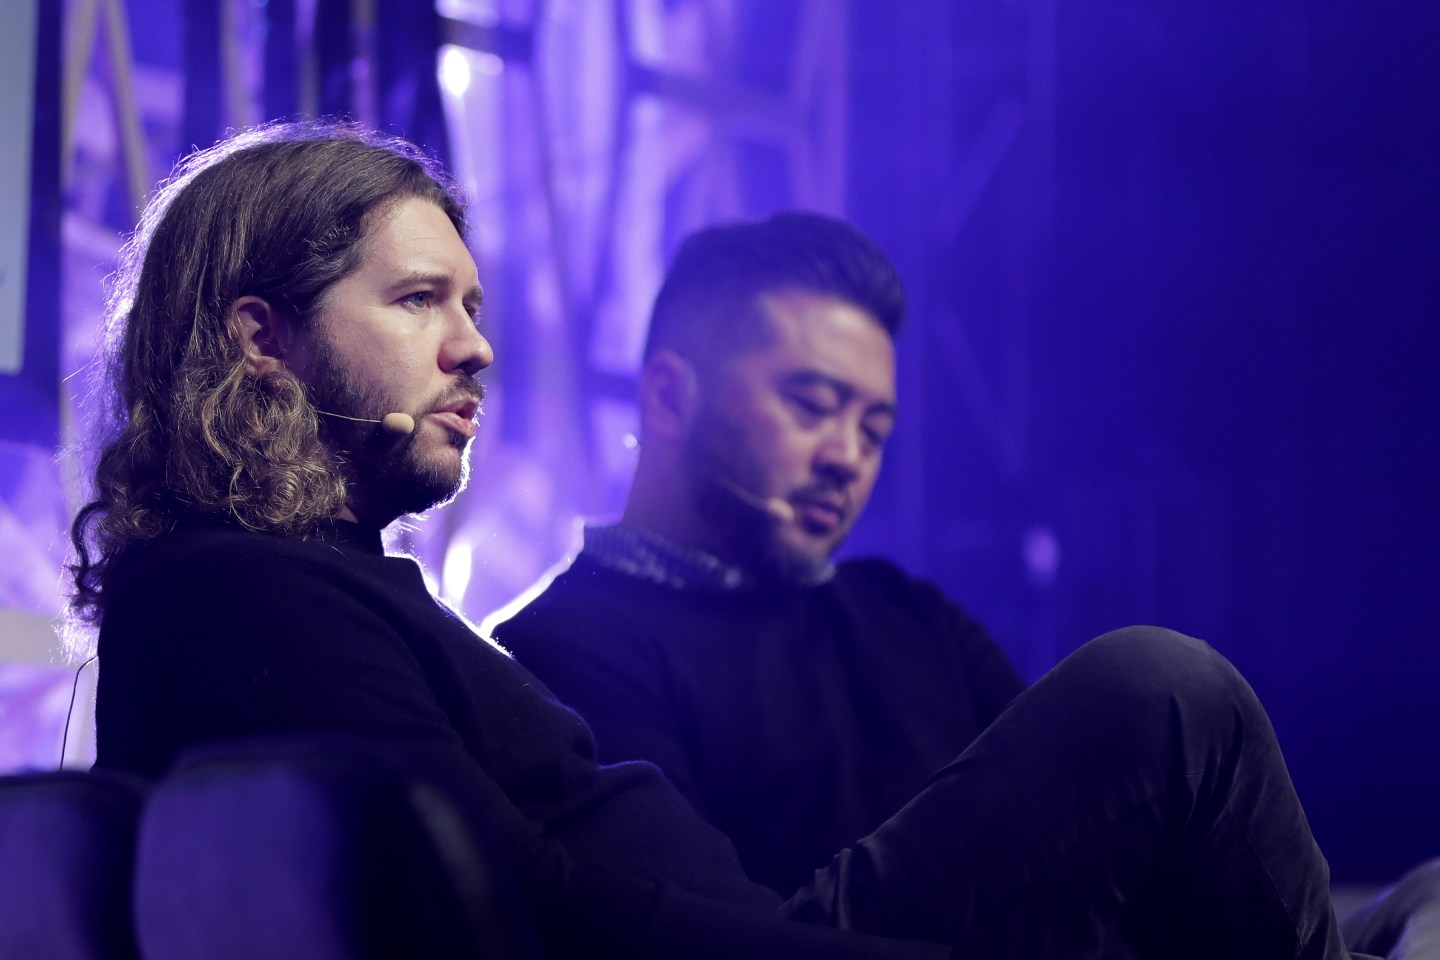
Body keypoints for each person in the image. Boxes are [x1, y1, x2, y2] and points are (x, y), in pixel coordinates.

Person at [70, 119, 1368, 960]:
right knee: (1164, 692)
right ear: (263, 338)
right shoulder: (239, 593)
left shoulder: (296, 587)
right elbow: (511, 909)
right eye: (419, 300)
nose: (477, 347)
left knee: (1406, 897)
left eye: (473, 304)